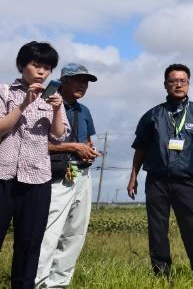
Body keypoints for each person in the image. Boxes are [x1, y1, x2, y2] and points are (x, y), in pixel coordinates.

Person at [127, 63, 193, 287]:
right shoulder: (153, 115)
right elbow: (140, 148)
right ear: (165, 85)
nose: (178, 84)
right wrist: (133, 177)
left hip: (187, 182)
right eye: (173, 81)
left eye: (182, 81)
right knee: (157, 229)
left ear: (188, 84)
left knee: (192, 229)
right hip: (157, 181)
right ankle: (162, 277)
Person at [0, 42, 68, 289]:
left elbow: (59, 136)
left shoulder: (52, 98)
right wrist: (24, 104)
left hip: (38, 179)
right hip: (3, 175)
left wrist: (58, 109)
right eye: (36, 65)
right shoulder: (5, 92)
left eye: (47, 67)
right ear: (22, 65)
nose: (41, 72)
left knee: (29, 244)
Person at [35, 63, 100, 288]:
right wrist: (72, 147)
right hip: (55, 175)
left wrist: (89, 152)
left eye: (86, 81)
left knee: (75, 234)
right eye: (78, 80)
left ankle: (58, 284)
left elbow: (88, 141)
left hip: (82, 175)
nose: (83, 85)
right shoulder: (43, 103)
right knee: (49, 233)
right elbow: (32, 143)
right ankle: (38, 282)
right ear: (63, 80)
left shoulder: (85, 110)